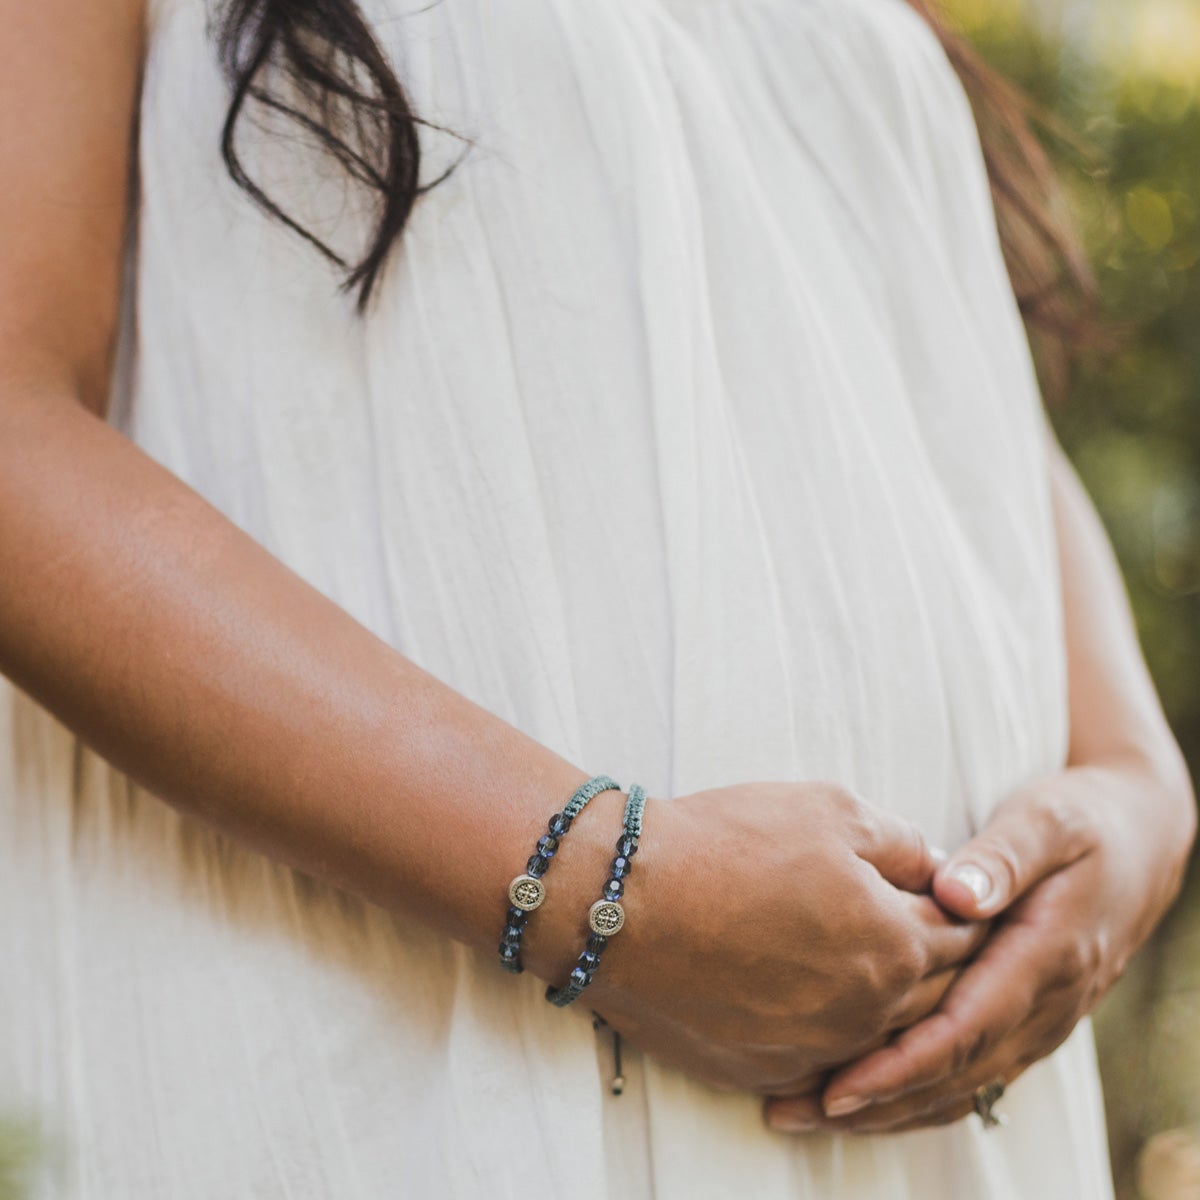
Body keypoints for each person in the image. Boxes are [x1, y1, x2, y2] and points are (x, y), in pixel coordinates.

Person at [0, 0, 1194, 1195]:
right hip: (410, 1058)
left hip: (927, 1115)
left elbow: (927, 371)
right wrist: (607, 895)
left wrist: (1138, 786)